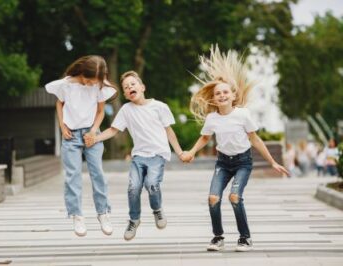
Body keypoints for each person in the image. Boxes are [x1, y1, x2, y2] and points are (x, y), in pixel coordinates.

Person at [181, 45, 289, 252]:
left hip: (242, 162)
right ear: (214, 99)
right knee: (213, 198)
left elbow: (255, 140)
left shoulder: (242, 115)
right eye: (217, 93)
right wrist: (191, 152)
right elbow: (204, 138)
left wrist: (273, 162)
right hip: (223, 162)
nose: (221, 95)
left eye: (225, 92)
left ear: (233, 96)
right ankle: (218, 237)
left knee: (234, 197)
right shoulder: (212, 118)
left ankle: (245, 238)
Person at [84, 71, 184, 241]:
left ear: (142, 87)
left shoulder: (159, 107)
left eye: (133, 84)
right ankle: (134, 219)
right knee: (133, 188)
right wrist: (95, 138)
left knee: (152, 184)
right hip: (138, 156)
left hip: (157, 154)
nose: (130, 87)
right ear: (125, 94)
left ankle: (157, 209)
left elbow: (169, 131)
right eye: (126, 87)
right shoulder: (126, 110)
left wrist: (180, 152)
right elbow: (114, 130)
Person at [45, 55, 117, 237]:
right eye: (90, 80)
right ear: (83, 73)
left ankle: (103, 213)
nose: (92, 84)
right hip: (71, 135)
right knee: (72, 176)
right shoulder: (66, 84)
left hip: (92, 135)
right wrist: (62, 126)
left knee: (97, 173)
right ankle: (77, 215)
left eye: (95, 82)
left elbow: (100, 112)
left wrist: (94, 131)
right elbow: (59, 105)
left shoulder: (99, 84)